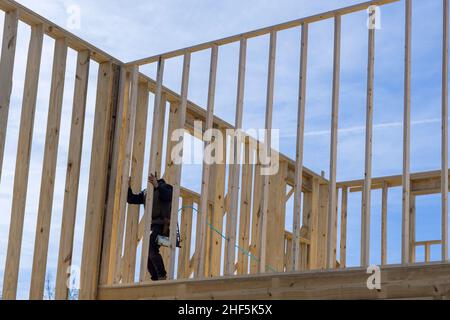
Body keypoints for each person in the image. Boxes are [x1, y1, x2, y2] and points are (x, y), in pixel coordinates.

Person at [127, 173, 173, 281]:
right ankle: (156, 278)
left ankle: (161, 275)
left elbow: (169, 196)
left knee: (151, 248)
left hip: (163, 225)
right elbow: (131, 199)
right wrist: (128, 187)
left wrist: (157, 185)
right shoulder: (146, 193)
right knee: (148, 252)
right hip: (154, 227)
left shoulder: (166, 187)